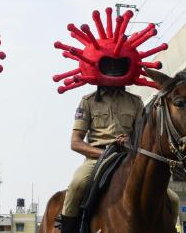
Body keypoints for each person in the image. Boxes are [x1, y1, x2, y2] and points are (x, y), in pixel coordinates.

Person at [60, 85, 144, 232]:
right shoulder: (87, 101)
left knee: (172, 199)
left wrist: (131, 139)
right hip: (97, 157)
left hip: (129, 157)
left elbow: (143, 137)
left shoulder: (136, 101)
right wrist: (104, 154)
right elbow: (75, 142)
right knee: (77, 185)